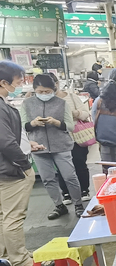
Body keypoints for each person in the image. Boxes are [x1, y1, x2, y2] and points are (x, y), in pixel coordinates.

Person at [21, 74, 84, 219]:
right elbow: (23, 126)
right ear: (35, 90)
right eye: (40, 91)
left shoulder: (61, 103)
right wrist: (33, 124)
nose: (44, 94)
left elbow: (70, 126)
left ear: (54, 89)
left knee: (69, 176)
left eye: (48, 92)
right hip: (39, 147)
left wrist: (56, 123)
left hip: (61, 145)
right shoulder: (27, 104)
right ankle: (59, 206)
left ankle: (78, 204)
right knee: (47, 179)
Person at [0, 61, 37, 266]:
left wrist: (27, 144)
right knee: (13, 216)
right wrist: (23, 164)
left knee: (2, 216)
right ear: (3, 82)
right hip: (10, 170)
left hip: (3, 169)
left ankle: (6, 257)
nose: (21, 84)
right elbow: (5, 141)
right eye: (18, 81)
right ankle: (20, 260)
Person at [52, 73, 91, 200]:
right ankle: (66, 193)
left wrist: (75, 113)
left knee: (79, 163)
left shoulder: (72, 97)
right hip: (58, 138)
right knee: (61, 166)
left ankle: (84, 190)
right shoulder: (45, 102)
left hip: (76, 137)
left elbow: (86, 114)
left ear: (57, 83)